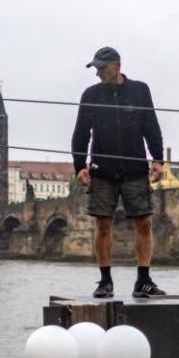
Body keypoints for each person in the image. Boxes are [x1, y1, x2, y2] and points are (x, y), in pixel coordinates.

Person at [71, 46, 166, 298]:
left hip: (135, 167)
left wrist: (158, 160)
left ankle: (143, 280)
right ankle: (105, 281)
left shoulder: (140, 90)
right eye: (96, 68)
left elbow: (151, 126)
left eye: (102, 68)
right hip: (102, 169)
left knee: (144, 222)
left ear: (117, 65)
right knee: (103, 225)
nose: (98, 73)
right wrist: (80, 166)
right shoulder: (90, 95)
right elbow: (81, 133)